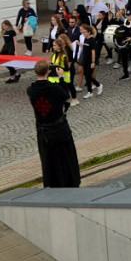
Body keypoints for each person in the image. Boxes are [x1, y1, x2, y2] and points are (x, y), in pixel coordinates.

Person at [27, 59, 80, 188]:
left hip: (43, 131)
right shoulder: (54, 88)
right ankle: (69, 182)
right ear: (48, 71)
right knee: (65, 158)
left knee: (48, 160)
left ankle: (52, 183)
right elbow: (65, 95)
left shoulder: (31, 90)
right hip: (59, 128)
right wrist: (61, 78)